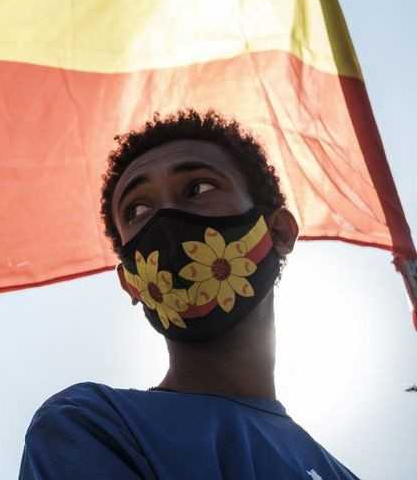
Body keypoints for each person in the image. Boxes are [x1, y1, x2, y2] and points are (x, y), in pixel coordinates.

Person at [18, 110, 359, 480]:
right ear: (131, 282)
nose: (165, 218)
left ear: (278, 232)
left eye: (198, 188)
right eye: (138, 209)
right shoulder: (95, 424)